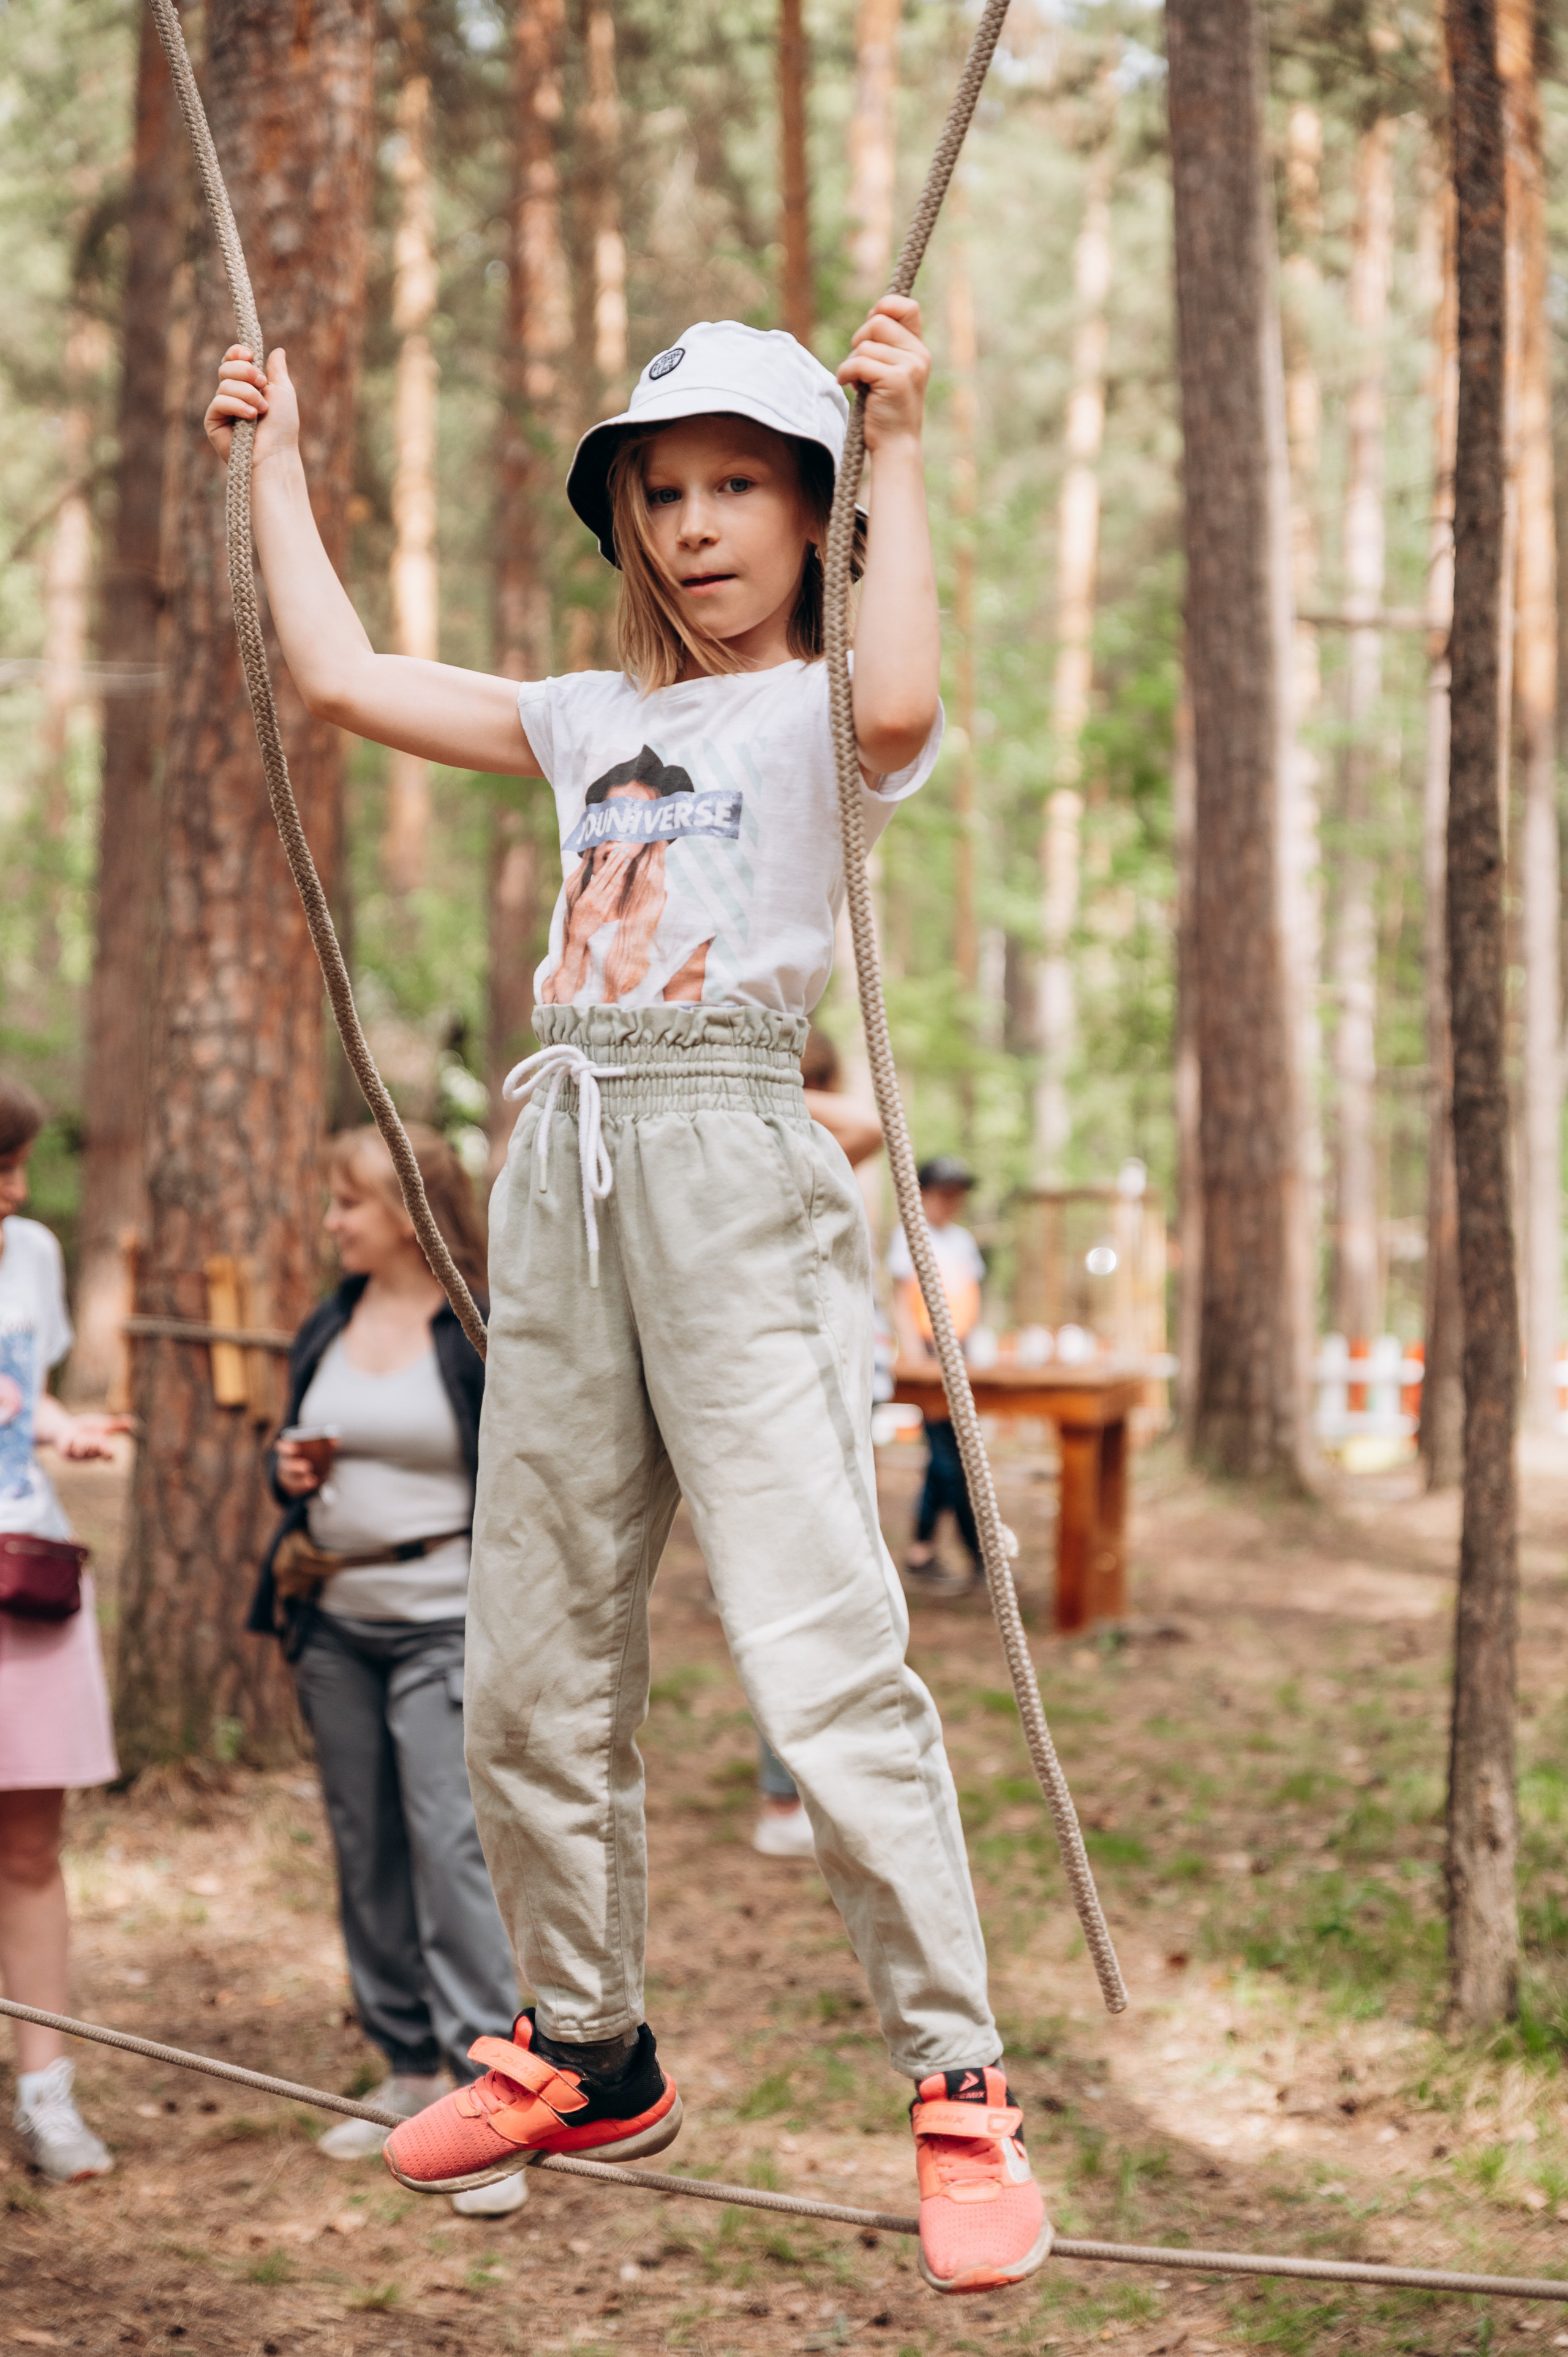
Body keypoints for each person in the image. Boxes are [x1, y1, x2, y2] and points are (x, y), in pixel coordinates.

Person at [206, 302, 1051, 2296]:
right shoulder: (587, 712)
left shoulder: (824, 707)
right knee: (529, 1656)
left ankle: (957, 2074)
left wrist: (903, 440)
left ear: (810, 515)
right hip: (563, 1175)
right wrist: (270, 454)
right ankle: (590, 2038)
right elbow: (335, 674)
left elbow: (913, 691)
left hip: (735, 1163)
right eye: (660, 493)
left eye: (739, 485)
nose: (691, 527)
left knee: (818, 1649)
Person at [251, 1123, 523, 2220]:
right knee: (364, 1841)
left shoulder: (474, 1328)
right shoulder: (330, 1317)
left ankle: (490, 2097)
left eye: (348, 1204)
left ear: (407, 1209)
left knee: (447, 1842)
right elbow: (294, 1455)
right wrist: (288, 1466)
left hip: (442, 1622)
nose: (332, 1223)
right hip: (336, 1619)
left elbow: (527, 1470)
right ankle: (406, 2063)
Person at [0, 1075, 124, 2183]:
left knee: (33, 1848)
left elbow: (17, 1396)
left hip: (24, 1574)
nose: (19, 1189)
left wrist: (61, 1428)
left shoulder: (31, 1250)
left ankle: (46, 2093)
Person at [752, 1026, 882, 1861]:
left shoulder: (807, 1144)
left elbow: (865, 1128)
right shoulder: (750, 1139)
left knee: (836, 1592)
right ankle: (782, 1792)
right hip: (774, 1387)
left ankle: (821, 1781)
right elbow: (868, 1122)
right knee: (786, 1592)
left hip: (829, 1382)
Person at [889, 1156, 987, 1598]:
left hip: (959, 1351)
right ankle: (977, 1554)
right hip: (928, 1355)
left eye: (957, 1194)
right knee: (952, 1458)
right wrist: (914, 1353)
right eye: (944, 1192)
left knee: (949, 1455)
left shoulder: (962, 1242)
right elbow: (900, 1299)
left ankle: (922, 1550)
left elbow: (972, 1296)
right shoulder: (909, 1237)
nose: (951, 1202)